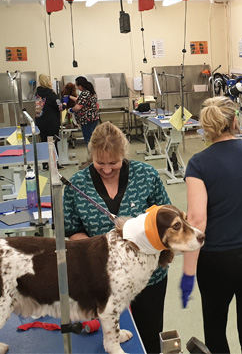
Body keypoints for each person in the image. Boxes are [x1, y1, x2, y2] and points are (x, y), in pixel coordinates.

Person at [62, 122, 170, 354]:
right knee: (106, 339)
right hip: (102, 282)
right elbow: (70, 231)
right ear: (91, 155)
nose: (107, 169)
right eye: (100, 163)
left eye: (114, 163)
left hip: (148, 280)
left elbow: (166, 224)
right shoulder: (77, 185)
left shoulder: (147, 176)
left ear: (124, 154)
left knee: (149, 338)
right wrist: (105, 251)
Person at [181, 96, 242, 354]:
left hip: (219, 260)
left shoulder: (198, 164)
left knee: (215, 331)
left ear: (205, 127)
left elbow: (197, 220)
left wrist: (188, 273)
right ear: (235, 120)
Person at [71, 76, 101, 168]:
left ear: (81, 86)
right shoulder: (91, 92)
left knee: (88, 141)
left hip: (86, 120)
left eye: (77, 85)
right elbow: (82, 101)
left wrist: (70, 110)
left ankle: (91, 162)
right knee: (92, 140)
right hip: (93, 118)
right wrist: (70, 97)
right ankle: (91, 160)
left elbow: (79, 106)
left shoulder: (85, 93)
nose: (76, 87)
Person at [35, 74, 62, 167]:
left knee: (43, 143)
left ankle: (45, 164)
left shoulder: (37, 93)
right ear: (48, 82)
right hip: (51, 123)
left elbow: (38, 108)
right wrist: (65, 103)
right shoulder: (51, 94)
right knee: (52, 144)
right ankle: (55, 164)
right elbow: (60, 106)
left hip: (40, 122)